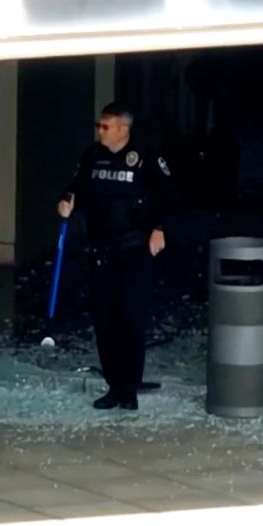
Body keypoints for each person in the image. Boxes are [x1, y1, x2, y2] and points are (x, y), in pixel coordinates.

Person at [58, 102, 175, 411]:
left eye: (105, 126)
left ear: (123, 129)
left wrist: (159, 229)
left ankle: (129, 385)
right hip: (100, 248)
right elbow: (76, 187)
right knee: (104, 319)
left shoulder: (146, 158)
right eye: (99, 126)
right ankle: (115, 385)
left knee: (130, 318)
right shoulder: (92, 157)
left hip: (134, 249)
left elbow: (167, 196)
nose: (99, 131)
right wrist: (67, 201)